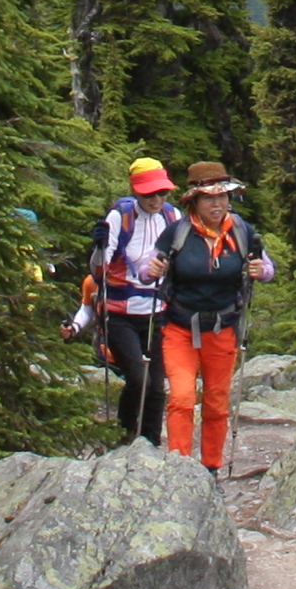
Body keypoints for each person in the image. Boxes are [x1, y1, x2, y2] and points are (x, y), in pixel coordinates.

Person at [159, 161, 275, 473]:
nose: (217, 203)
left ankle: (210, 468)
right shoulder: (178, 232)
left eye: (222, 197)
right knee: (182, 398)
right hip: (180, 328)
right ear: (194, 201)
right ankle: (178, 468)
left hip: (223, 329)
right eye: (210, 197)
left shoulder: (241, 231)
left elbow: (267, 268)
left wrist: (261, 271)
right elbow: (148, 268)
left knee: (216, 403)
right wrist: (150, 269)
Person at [87, 157, 180, 445]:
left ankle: (150, 442)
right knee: (139, 379)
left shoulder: (172, 217)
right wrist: (99, 247)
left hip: (156, 311)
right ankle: (126, 434)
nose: (156, 199)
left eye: (161, 193)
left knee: (156, 387)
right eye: (149, 193)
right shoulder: (120, 217)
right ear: (136, 191)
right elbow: (98, 270)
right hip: (119, 312)